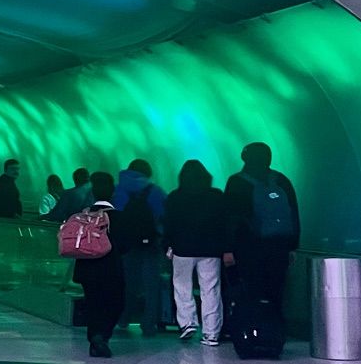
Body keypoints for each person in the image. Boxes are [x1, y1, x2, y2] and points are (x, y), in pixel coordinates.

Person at [224, 142, 301, 316]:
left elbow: (230, 217)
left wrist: (227, 248)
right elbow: (294, 212)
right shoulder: (281, 180)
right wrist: (293, 245)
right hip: (280, 244)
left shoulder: (237, 182)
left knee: (252, 288)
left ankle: (253, 328)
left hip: (248, 246)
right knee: (276, 288)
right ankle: (275, 329)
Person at [164, 159, 226, 346]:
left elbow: (169, 224)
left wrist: (167, 245)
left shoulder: (175, 196)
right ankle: (211, 332)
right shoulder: (216, 195)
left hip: (183, 249)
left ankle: (187, 323)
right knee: (211, 290)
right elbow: (224, 223)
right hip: (210, 250)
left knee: (182, 287)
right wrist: (226, 247)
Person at [72, 172, 126, 358]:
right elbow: (125, 245)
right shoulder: (118, 217)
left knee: (93, 302)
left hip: (87, 269)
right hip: (110, 269)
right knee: (114, 302)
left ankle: (95, 337)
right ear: (112, 193)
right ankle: (102, 335)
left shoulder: (83, 216)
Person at [113, 159, 168, 335]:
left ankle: (123, 317)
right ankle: (148, 323)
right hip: (151, 244)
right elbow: (163, 216)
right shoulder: (155, 191)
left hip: (125, 244)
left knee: (127, 283)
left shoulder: (118, 189)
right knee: (151, 284)